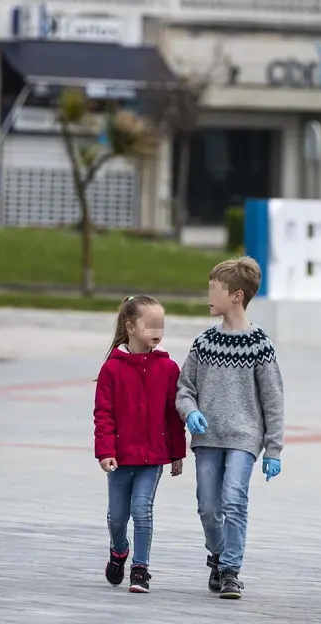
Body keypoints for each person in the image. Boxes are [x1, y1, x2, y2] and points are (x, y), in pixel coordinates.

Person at [174, 257, 284, 600]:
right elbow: (184, 387)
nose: (209, 295)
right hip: (207, 438)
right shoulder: (204, 342)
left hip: (244, 438)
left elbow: (273, 398)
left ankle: (231, 571)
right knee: (208, 505)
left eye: (214, 289)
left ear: (236, 296)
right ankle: (218, 556)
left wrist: (274, 449)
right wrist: (189, 412)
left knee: (234, 500)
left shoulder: (259, 344)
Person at [93, 295, 186, 594]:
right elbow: (103, 414)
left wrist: (176, 453)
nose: (158, 330)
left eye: (162, 324)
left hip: (153, 459)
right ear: (131, 327)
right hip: (119, 459)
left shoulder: (169, 368)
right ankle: (119, 551)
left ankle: (141, 568)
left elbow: (173, 415)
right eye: (151, 324)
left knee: (142, 510)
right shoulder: (111, 369)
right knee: (117, 517)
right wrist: (105, 451)